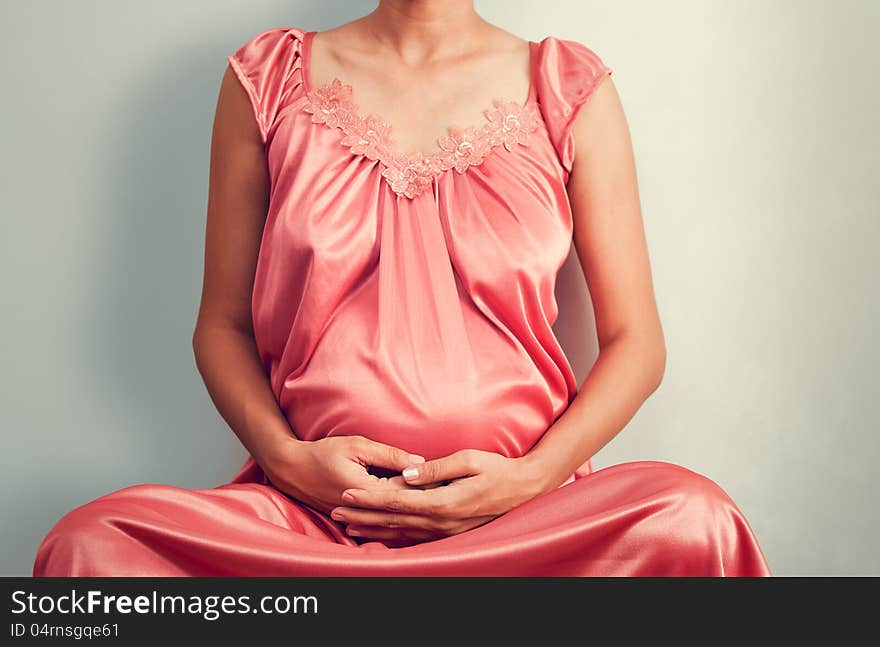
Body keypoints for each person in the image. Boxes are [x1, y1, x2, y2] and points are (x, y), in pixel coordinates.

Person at [33, 1, 771, 576]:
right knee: (89, 547)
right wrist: (290, 463)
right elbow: (219, 327)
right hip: (312, 526)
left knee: (696, 518)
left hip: (526, 520)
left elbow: (636, 344)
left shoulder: (567, 87)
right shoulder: (269, 78)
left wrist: (530, 478)